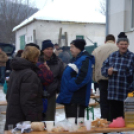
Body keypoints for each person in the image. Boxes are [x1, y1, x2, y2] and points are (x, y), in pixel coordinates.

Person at [56, 39, 95, 123]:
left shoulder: (85, 59)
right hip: (70, 97)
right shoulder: (75, 59)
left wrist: (70, 86)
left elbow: (84, 77)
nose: (70, 49)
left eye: (72, 47)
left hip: (76, 98)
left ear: (79, 48)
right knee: (71, 125)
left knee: (76, 125)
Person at [5, 46, 43, 130]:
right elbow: (28, 100)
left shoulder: (15, 72)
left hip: (13, 115)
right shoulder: (29, 74)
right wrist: (33, 121)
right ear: (35, 57)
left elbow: (8, 95)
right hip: (23, 121)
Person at [101, 32, 134, 121]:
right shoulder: (112, 56)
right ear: (117, 44)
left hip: (126, 95)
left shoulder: (132, 57)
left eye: (125, 44)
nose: (123, 46)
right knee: (114, 119)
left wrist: (131, 88)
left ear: (128, 45)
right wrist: (108, 72)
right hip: (113, 94)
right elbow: (103, 70)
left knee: (125, 119)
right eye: (121, 44)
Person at [92, 34, 118, 121]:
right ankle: (114, 122)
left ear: (105, 41)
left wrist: (95, 79)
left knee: (104, 101)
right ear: (114, 41)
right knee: (114, 102)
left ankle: (104, 120)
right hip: (115, 80)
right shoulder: (118, 49)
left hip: (102, 79)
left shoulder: (97, 50)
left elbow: (93, 66)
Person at [40, 40, 64, 121]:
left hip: (51, 93)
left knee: (49, 119)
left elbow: (61, 77)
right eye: (47, 49)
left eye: (51, 49)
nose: (49, 51)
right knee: (38, 119)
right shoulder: (37, 61)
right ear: (43, 50)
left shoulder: (58, 61)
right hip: (38, 94)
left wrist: (58, 89)